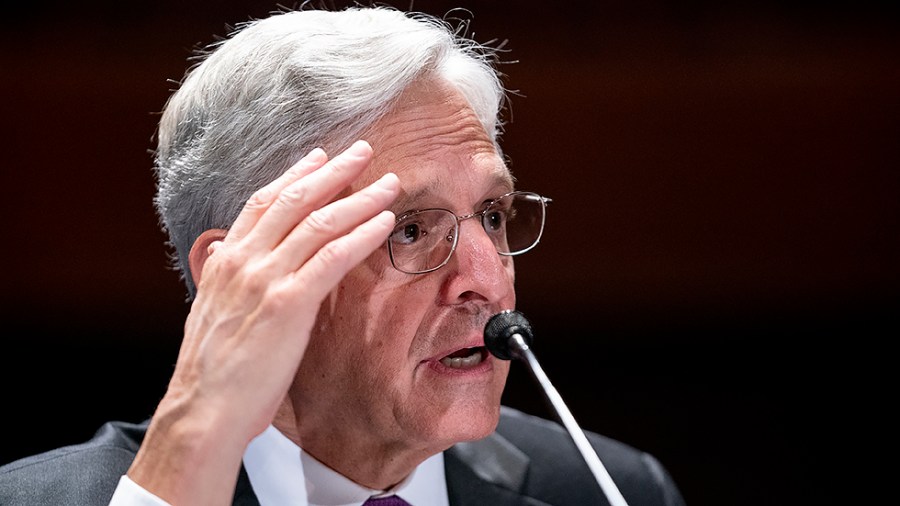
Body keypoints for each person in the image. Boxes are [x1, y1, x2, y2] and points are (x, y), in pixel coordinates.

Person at [0, 5, 686, 506]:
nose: (485, 280)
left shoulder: (608, 488)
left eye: (491, 215)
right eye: (411, 229)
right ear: (236, 275)